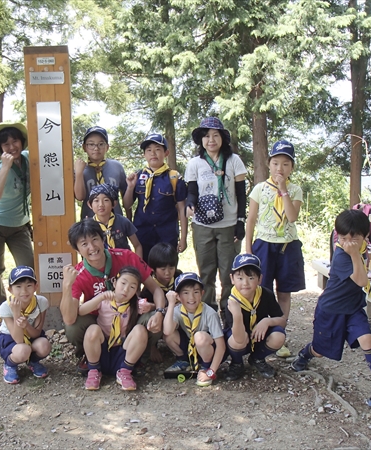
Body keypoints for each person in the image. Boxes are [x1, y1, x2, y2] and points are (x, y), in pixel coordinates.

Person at [291, 209, 371, 411]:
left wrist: (358, 257)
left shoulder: (360, 250)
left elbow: (361, 275)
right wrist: (354, 255)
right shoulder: (343, 255)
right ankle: (305, 354)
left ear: (365, 236)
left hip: (353, 309)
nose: (348, 242)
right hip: (331, 310)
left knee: (368, 340)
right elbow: (361, 280)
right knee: (320, 351)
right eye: (344, 238)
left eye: (355, 238)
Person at [61, 219, 167, 367]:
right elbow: (69, 318)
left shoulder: (126, 257)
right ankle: (90, 356)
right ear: (77, 250)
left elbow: (155, 289)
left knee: (154, 318)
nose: (92, 247)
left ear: (103, 238)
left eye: (95, 239)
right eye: (84, 244)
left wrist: (160, 312)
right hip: (98, 323)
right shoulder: (78, 274)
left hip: (129, 317)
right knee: (73, 327)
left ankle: (139, 354)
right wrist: (67, 286)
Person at [185, 118, 247, 327]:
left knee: (229, 272)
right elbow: (191, 191)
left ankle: (229, 316)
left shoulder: (234, 161)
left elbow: (241, 193)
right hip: (202, 225)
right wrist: (189, 204)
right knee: (206, 272)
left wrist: (241, 220)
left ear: (222, 138)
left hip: (228, 225)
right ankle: (208, 316)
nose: (210, 140)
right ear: (201, 140)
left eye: (215, 135)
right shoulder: (194, 163)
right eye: (206, 135)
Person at [245, 140, 305, 357]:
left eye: (286, 164)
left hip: (288, 246)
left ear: (292, 168)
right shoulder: (259, 189)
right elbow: (251, 220)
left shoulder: (295, 190)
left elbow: (292, 216)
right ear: (269, 164)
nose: (280, 168)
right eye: (276, 163)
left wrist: (283, 190)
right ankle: (259, 332)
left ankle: (280, 333)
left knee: (284, 292)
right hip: (264, 245)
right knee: (262, 289)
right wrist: (248, 248)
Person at [0, 123, 34, 328]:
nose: (12, 147)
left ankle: (28, 306)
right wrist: (6, 166)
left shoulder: (29, 159)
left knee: (28, 266)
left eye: (15, 141)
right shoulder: (3, 166)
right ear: (0, 148)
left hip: (19, 224)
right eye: (6, 144)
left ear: (22, 142)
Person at [78, 266, 148, 391]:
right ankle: (94, 371)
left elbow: (150, 307)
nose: (126, 289)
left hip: (123, 352)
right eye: (123, 283)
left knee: (140, 330)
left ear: (136, 290)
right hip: (101, 351)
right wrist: (100, 297)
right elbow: (81, 311)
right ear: (115, 282)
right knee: (92, 329)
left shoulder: (136, 304)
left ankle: (125, 372)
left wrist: (150, 307)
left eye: (132, 287)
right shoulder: (104, 299)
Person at [124, 133, 188, 262]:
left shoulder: (174, 177)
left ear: (166, 153)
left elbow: (182, 209)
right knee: (144, 271)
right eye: (149, 150)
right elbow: (127, 205)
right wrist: (130, 187)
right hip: (143, 233)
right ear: (144, 155)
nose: (153, 153)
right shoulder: (138, 176)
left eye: (158, 149)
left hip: (167, 234)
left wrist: (183, 238)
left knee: (167, 272)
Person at [224, 254, 286, 381]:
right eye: (240, 278)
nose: (245, 283)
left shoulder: (265, 294)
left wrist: (267, 321)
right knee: (236, 341)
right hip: (240, 339)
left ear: (259, 279)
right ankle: (236, 363)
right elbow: (239, 337)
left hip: (259, 336)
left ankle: (257, 358)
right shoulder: (231, 301)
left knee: (279, 336)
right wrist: (237, 314)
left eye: (251, 277)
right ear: (232, 279)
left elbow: (282, 321)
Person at [163, 273, 225, 387]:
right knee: (169, 334)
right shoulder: (177, 310)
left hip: (207, 350)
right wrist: (171, 304)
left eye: (196, 292)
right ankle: (183, 360)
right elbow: (167, 331)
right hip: (190, 346)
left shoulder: (209, 313)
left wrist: (212, 371)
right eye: (185, 293)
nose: (191, 298)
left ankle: (205, 367)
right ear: (178, 296)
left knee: (199, 336)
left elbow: (221, 345)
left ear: (202, 293)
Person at [0, 266, 51, 384]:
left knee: (44, 346)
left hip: (30, 335)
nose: (24, 291)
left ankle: (33, 362)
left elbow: (36, 333)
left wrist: (27, 326)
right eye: (18, 287)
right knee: (23, 350)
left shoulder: (41, 302)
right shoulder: (5, 307)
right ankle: (10, 365)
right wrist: (16, 313)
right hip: (10, 337)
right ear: (10, 290)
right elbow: (18, 339)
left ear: (36, 286)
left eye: (29, 286)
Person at [74, 126, 130, 220]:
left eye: (101, 144)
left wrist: (129, 220)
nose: (96, 148)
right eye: (91, 144)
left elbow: (125, 195)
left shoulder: (117, 167)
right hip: (90, 222)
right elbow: (80, 197)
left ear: (107, 147)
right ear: (84, 147)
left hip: (116, 222)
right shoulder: (80, 169)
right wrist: (79, 173)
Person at [88, 183, 142, 258]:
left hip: (124, 263)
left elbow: (137, 245)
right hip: (100, 266)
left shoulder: (123, 222)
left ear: (114, 204)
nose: (101, 204)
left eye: (106, 200)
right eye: (96, 201)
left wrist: (137, 265)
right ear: (90, 205)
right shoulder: (88, 226)